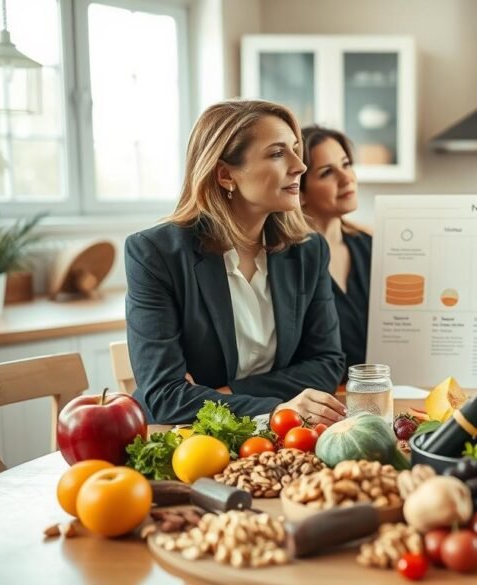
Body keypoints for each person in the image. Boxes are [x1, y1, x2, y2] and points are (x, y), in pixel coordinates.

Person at [125, 99, 347, 425]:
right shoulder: (155, 254)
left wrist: (226, 393)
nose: (299, 166)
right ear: (226, 174)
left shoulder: (308, 250)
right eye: (276, 153)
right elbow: (163, 395)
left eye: (295, 149)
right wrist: (276, 409)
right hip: (192, 443)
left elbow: (327, 363)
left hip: (286, 438)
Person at [299, 125, 372, 381]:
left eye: (346, 164)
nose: (346, 178)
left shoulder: (370, 246)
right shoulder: (290, 262)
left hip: (380, 393)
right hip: (321, 400)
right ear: (300, 192)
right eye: (328, 172)